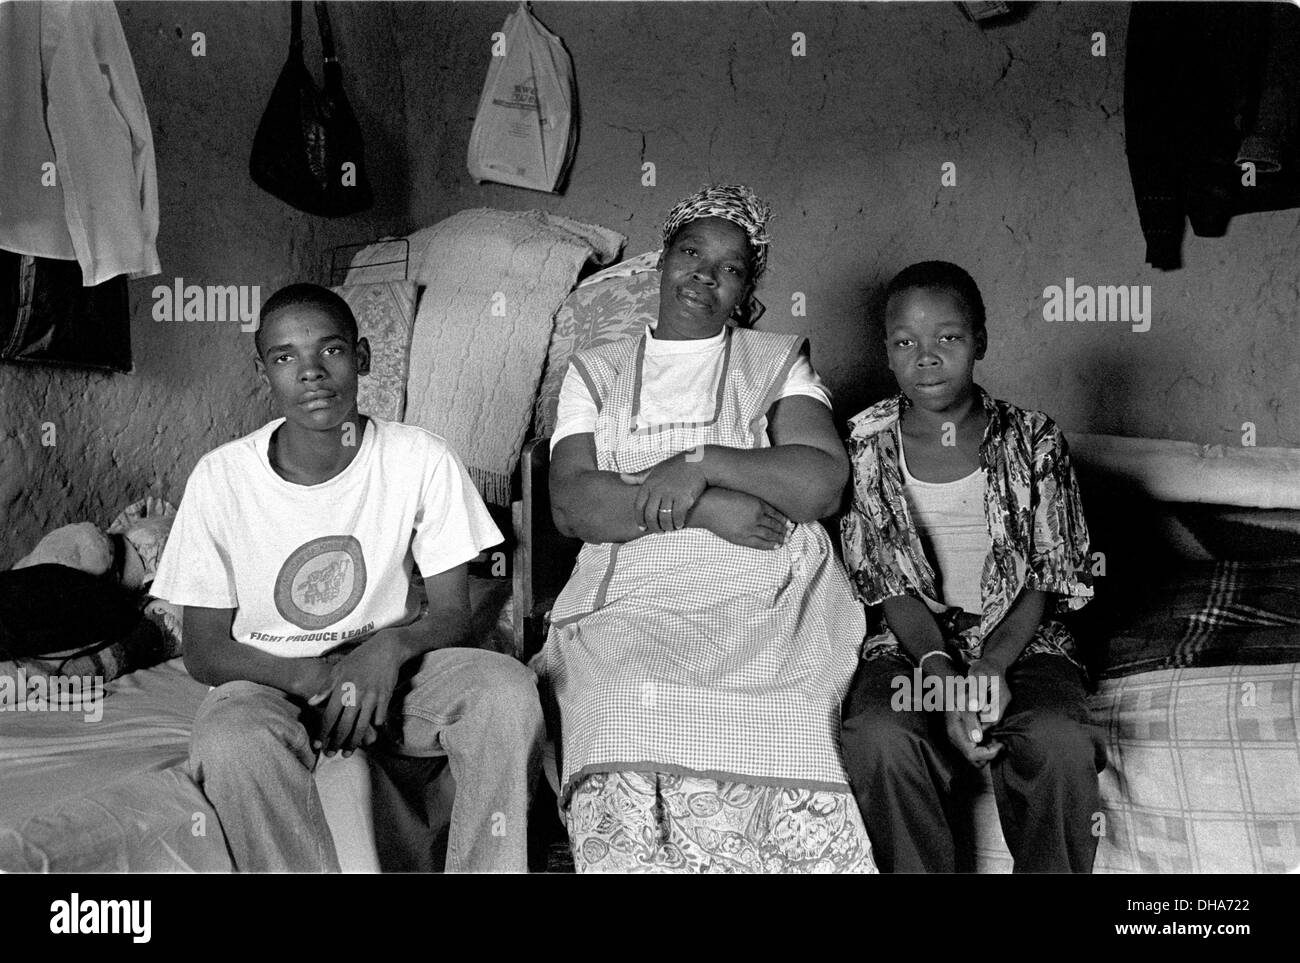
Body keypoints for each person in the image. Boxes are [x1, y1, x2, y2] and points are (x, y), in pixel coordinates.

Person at [535, 185, 875, 873]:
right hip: (635, 599)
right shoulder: (595, 374)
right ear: (662, 261)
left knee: (786, 708)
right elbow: (573, 502)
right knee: (622, 700)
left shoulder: (776, 361)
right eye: (692, 252)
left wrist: (702, 462)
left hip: (761, 596)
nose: (706, 275)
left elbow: (821, 481)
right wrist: (704, 504)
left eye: (731, 267)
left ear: (747, 287)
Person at [151, 283, 544, 872]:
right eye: (285, 357)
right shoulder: (222, 478)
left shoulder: (420, 458)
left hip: (395, 669)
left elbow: (453, 613)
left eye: (330, 350)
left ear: (361, 357)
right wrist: (311, 674)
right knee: (232, 739)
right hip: (268, 677)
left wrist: (387, 650)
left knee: (505, 693)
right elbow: (205, 653)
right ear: (264, 374)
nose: (311, 373)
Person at [839, 261, 1107, 873]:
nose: (926, 358)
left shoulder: (1034, 439)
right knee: (881, 737)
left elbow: (1048, 574)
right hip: (913, 644)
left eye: (948, 338)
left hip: (1020, 640)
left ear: (980, 341)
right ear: (886, 352)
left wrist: (989, 667)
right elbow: (884, 582)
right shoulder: (864, 443)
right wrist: (940, 670)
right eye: (906, 342)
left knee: (1058, 739)